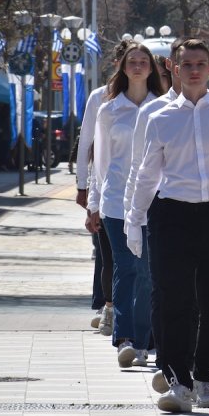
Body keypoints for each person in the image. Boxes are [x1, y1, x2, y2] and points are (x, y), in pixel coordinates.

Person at [126, 39, 209, 412]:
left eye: (202, 64)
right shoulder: (160, 117)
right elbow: (145, 174)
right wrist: (133, 222)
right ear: (173, 67)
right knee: (174, 301)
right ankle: (178, 381)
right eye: (188, 64)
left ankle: (204, 376)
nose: (195, 70)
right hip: (173, 215)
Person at [86, 42, 163, 369]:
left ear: (151, 68)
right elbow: (100, 162)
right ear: (123, 67)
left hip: (150, 202)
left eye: (143, 61)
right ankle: (125, 338)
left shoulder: (161, 108)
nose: (137, 66)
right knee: (125, 267)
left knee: (146, 271)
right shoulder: (108, 110)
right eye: (132, 61)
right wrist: (94, 202)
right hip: (116, 201)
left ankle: (145, 340)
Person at [77, 39, 132, 335]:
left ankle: (131, 311)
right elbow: (87, 143)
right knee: (108, 252)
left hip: (141, 191)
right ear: (118, 65)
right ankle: (109, 306)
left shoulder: (152, 98)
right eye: (128, 62)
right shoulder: (101, 98)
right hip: (107, 185)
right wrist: (83, 187)